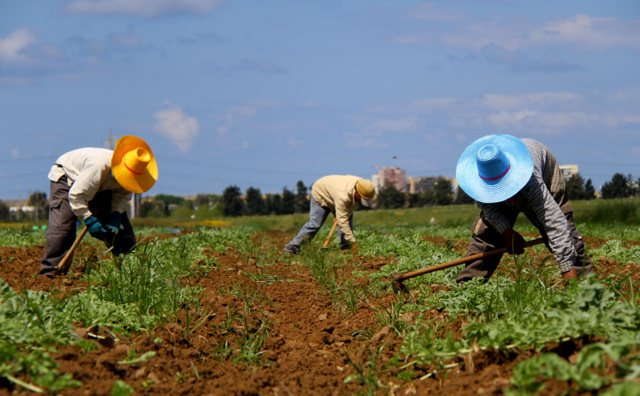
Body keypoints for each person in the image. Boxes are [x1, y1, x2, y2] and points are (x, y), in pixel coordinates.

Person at [454, 134, 591, 283]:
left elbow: (554, 221)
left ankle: (584, 288)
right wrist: (506, 233)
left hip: (545, 176)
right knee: (487, 233)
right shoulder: (478, 182)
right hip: (501, 194)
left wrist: (568, 268)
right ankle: (468, 288)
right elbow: (489, 209)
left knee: (566, 233)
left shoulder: (532, 181)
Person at [40, 135, 158, 277]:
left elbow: (122, 196)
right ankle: (50, 272)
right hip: (68, 178)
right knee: (63, 227)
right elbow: (77, 195)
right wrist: (89, 218)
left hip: (99, 185)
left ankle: (130, 270)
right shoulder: (98, 166)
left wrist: (115, 215)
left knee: (121, 230)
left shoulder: (134, 176)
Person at [284, 175, 375, 255]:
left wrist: (341, 216)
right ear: (358, 194)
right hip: (321, 193)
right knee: (315, 223)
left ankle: (344, 246)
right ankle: (293, 246)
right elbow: (343, 221)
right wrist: (353, 241)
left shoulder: (364, 186)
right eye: (361, 199)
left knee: (346, 220)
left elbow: (347, 213)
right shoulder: (343, 195)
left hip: (333, 193)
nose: (360, 201)